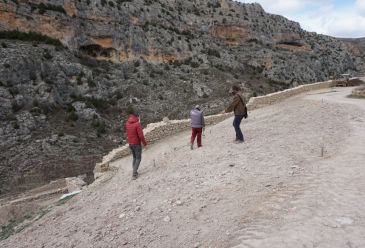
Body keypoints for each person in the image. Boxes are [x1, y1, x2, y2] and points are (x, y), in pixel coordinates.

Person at [125, 112, 147, 179]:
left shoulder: (127, 123)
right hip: (136, 144)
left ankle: (134, 170)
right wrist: (145, 144)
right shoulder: (137, 124)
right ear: (138, 117)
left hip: (130, 144)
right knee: (138, 158)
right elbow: (141, 136)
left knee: (134, 157)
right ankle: (134, 174)